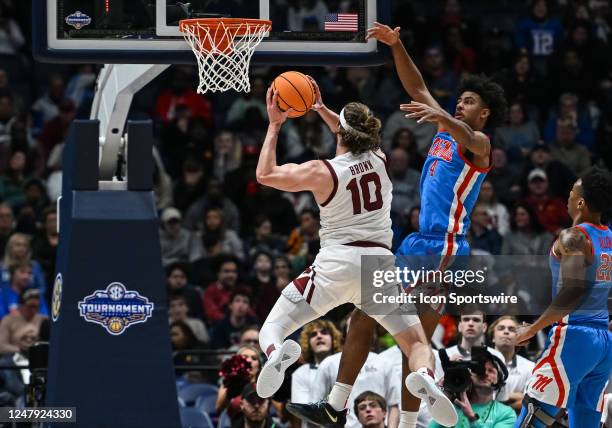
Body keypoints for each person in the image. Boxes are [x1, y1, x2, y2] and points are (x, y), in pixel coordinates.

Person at [289, 21, 507, 428]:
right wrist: (396, 44)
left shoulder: (480, 144)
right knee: (411, 338)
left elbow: (465, 132)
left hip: (441, 247)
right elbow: (418, 89)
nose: (460, 105)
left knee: (376, 320)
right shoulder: (446, 128)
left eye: (470, 101)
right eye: (459, 100)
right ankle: (390, 420)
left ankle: (339, 407)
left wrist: (444, 115)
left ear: (485, 112)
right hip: (420, 244)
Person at [255, 78, 457, 428]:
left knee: (274, 327)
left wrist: (275, 124)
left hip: (336, 264)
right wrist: (321, 109)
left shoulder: (322, 171)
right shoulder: (380, 159)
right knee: (415, 344)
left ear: (341, 134)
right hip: (378, 267)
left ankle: (275, 354)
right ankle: (428, 377)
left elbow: (265, 174)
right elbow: (350, 135)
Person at [514, 167, 612, 428]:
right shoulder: (609, 238)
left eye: (571, 191)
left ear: (580, 201)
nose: (567, 197)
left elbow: (572, 291)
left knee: (534, 414)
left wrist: (532, 329)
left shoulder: (575, 236)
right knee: (585, 422)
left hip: (575, 337)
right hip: (603, 342)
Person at [429, 351, 516, 427]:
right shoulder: (454, 406)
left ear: (498, 379)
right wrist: (444, 401)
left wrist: (472, 417)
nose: (485, 373)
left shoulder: (506, 414)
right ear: (469, 376)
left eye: (491, 370)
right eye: (479, 370)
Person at [292, 320, 343, 428]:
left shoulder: (345, 367)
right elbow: (305, 411)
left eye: (324, 332)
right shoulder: (300, 373)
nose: (319, 336)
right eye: (313, 335)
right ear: (308, 343)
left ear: (333, 339)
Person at [488, 316, 534, 412]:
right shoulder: (479, 362)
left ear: (519, 337)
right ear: (493, 337)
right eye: (501, 328)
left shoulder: (530, 367)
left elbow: (530, 403)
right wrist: (512, 397)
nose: (506, 332)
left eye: (511, 329)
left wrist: (493, 399)